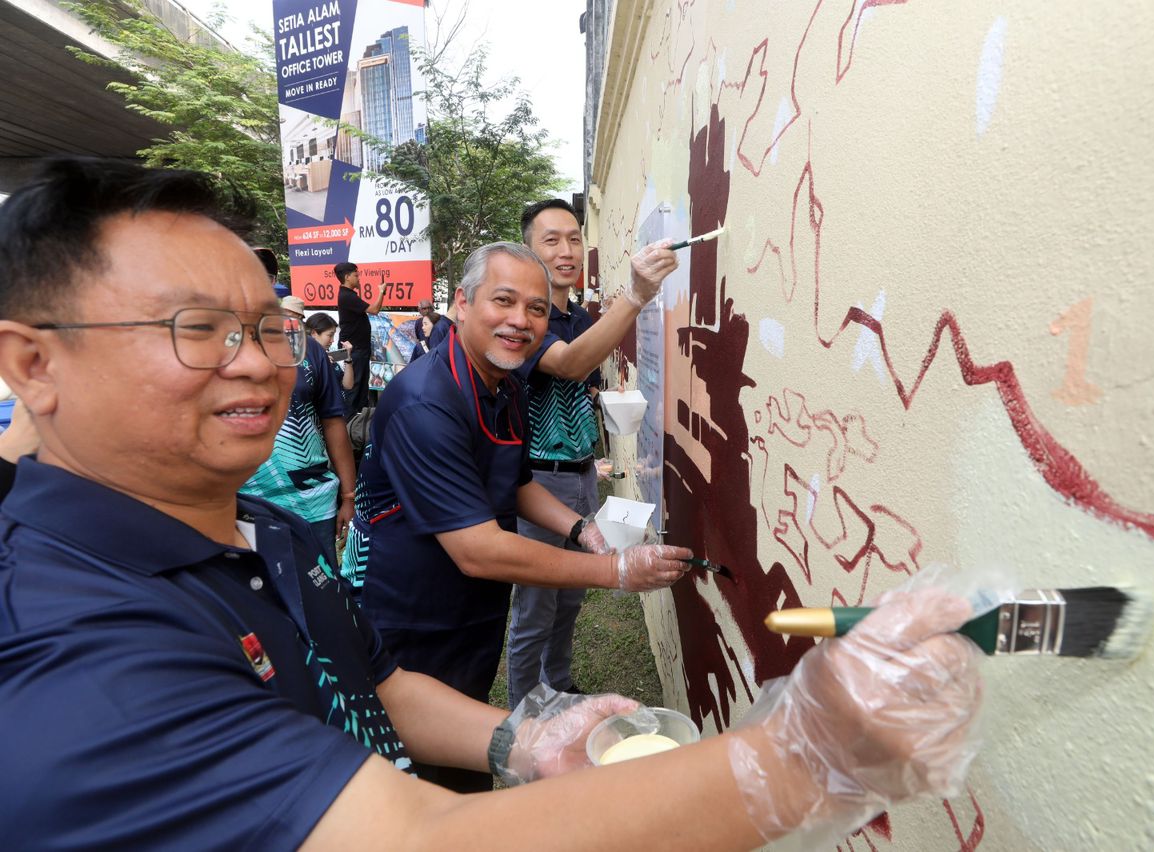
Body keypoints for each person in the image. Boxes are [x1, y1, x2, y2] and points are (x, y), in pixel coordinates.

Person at [0, 159, 984, 850]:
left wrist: (518, 738)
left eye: (265, 324)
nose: (256, 362)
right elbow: (421, 836)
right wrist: (807, 756)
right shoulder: (68, 656)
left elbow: (373, 688)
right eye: (195, 328)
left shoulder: (265, 530)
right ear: (33, 363)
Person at [341, 241, 693, 791]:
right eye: (503, 301)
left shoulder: (504, 385)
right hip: (404, 614)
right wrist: (614, 571)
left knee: (463, 752)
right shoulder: (424, 403)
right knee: (411, 775)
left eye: (535, 308)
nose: (520, 321)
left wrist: (582, 528)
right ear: (461, 303)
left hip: (468, 610)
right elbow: (478, 549)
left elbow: (515, 480)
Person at [505, 198, 678, 707]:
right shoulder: (527, 320)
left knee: (571, 598)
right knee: (535, 608)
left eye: (575, 238)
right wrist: (637, 294)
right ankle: (525, 717)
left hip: (582, 474)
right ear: (528, 251)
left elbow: (582, 384)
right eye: (551, 240)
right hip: (538, 482)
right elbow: (570, 366)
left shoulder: (576, 315)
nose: (567, 250)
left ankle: (557, 688)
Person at [240, 294, 356, 570]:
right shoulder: (216, 348)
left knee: (323, 593)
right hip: (245, 504)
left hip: (313, 503)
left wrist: (349, 497)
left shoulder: (308, 349)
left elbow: (333, 421)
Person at [336, 260, 390, 419]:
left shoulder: (349, 295)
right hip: (355, 350)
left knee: (361, 388)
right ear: (347, 277)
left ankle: (359, 422)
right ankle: (351, 423)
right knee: (355, 386)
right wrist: (381, 292)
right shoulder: (346, 296)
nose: (359, 278)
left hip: (360, 349)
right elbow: (374, 310)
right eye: (355, 275)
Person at [307, 312, 356, 391]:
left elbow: (348, 385)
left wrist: (348, 359)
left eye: (333, 336)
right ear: (314, 333)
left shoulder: (328, 357)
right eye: (330, 335)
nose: (332, 340)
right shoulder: (303, 360)